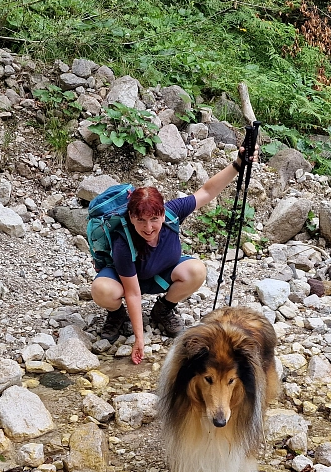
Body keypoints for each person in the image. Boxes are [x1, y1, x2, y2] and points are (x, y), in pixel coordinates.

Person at [91, 148, 253, 365]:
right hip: (126, 281)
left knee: (197, 270)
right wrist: (140, 339)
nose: (149, 228)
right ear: (131, 217)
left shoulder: (172, 212)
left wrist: (237, 164)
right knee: (101, 289)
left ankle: (163, 310)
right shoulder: (123, 243)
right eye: (141, 220)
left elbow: (207, 191)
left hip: (160, 274)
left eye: (154, 219)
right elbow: (133, 293)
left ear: (162, 214)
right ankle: (117, 314)